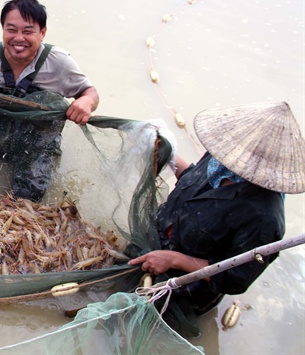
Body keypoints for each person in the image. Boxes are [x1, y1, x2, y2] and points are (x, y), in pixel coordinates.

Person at [129, 101, 305, 316]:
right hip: (154, 242)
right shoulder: (221, 158)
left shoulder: (265, 218)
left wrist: (174, 260)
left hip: (184, 286)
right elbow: (192, 183)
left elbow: (235, 279)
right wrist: (169, 155)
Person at [0, 0, 99, 202]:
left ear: (42, 33)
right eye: (11, 29)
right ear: (3, 30)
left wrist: (86, 102)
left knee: (28, 198)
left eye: (28, 31)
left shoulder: (60, 63)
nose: (18, 38)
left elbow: (90, 93)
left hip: (39, 148)